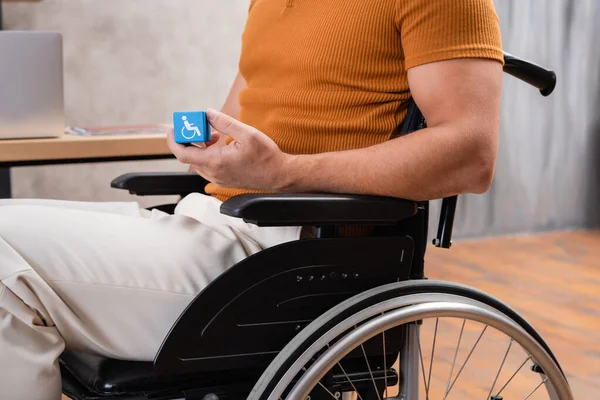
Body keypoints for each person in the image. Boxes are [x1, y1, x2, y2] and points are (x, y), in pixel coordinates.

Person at [0, 0, 504, 398]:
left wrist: (284, 173)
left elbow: (471, 154)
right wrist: (208, 150)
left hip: (291, 254)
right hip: (210, 225)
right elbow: (239, 128)